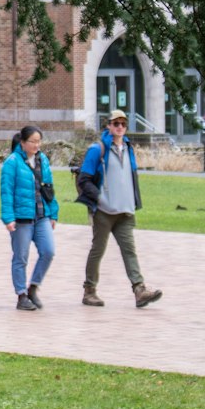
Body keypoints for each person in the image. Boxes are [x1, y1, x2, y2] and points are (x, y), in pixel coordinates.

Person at [74, 109, 162, 308]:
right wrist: (100, 198)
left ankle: (139, 290)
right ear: (108, 126)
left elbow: (130, 178)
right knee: (98, 250)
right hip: (104, 212)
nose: (120, 127)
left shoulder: (129, 148)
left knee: (129, 251)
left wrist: (133, 202)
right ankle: (90, 290)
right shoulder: (98, 149)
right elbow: (84, 179)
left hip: (125, 211)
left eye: (123, 124)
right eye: (116, 124)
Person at [0, 125, 57, 311]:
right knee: (21, 257)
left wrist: (53, 213)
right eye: (32, 141)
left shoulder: (43, 160)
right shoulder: (12, 162)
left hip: (42, 215)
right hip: (22, 217)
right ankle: (21, 295)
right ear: (23, 142)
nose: (36, 145)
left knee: (48, 251)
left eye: (39, 141)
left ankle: (33, 287)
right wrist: (8, 218)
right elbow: (6, 191)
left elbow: (49, 188)